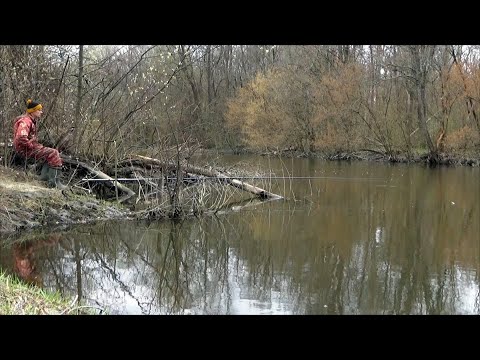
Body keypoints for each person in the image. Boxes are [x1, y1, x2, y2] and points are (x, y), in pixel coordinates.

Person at [13, 99, 67, 189]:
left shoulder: (30, 120)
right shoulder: (26, 121)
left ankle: (45, 179)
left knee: (50, 153)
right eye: (39, 110)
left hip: (25, 148)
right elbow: (21, 138)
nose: (41, 112)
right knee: (53, 153)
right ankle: (54, 183)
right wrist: (31, 146)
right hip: (24, 150)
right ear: (32, 111)